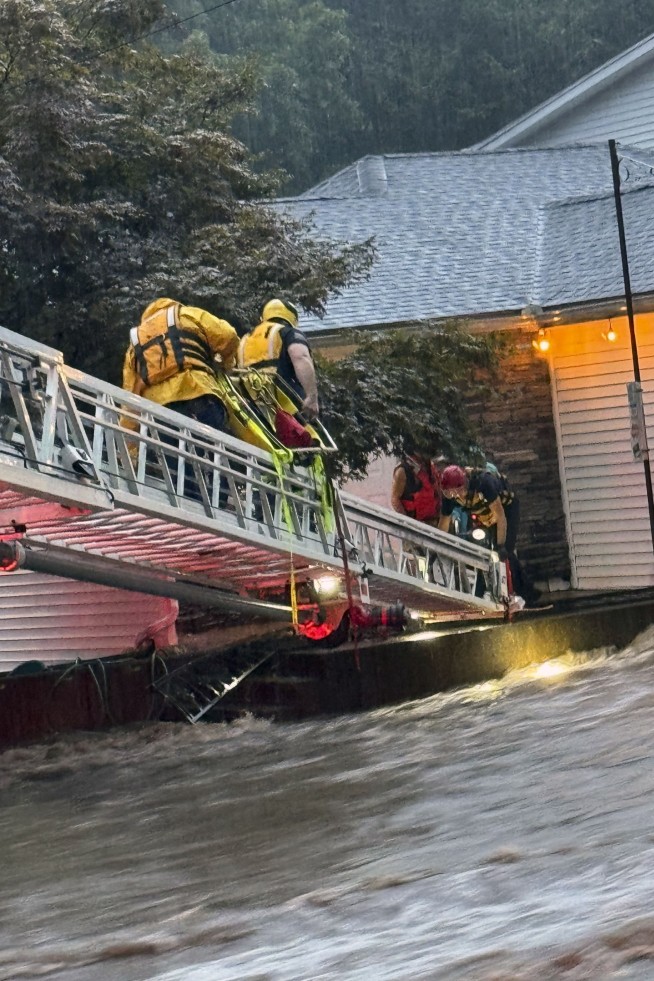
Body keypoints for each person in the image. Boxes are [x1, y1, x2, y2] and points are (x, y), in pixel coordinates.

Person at [122, 297, 239, 431]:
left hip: (159, 411)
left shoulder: (135, 345)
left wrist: (130, 446)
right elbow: (229, 335)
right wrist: (226, 363)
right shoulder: (188, 314)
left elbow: (130, 399)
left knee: (171, 450)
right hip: (199, 391)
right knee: (218, 443)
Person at [438, 463, 540, 605]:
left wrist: (500, 545)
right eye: (449, 493)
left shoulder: (484, 484)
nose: (454, 495)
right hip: (484, 515)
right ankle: (482, 594)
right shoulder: (450, 497)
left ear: (465, 484)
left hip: (506, 511)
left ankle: (526, 594)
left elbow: (501, 516)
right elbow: (444, 523)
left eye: (457, 490)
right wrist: (437, 545)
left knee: (506, 553)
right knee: (483, 552)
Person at [237, 298, 319, 420]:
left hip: (250, 402)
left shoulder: (244, 339)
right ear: (292, 317)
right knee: (308, 435)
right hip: (283, 397)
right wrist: (311, 397)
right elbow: (300, 357)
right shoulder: (288, 332)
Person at [391, 441, 441, 527]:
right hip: (415, 526)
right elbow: (395, 499)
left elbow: (437, 492)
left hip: (433, 523)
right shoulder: (403, 470)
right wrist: (409, 524)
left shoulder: (430, 467)